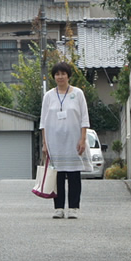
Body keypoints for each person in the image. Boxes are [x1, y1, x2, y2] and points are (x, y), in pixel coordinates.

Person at [39, 62, 90, 219]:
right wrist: (45, 143)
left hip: (73, 141)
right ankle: (59, 207)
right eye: (57, 74)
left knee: (74, 176)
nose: (60, 77)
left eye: (63, 73)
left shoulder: (78, 94)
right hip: (55, 142)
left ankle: (74, 207)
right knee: (57, 176)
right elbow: (43, 122)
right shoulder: (48, 96)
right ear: (54, 76)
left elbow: (84, 118)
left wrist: (82, 139)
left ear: (68, 75)